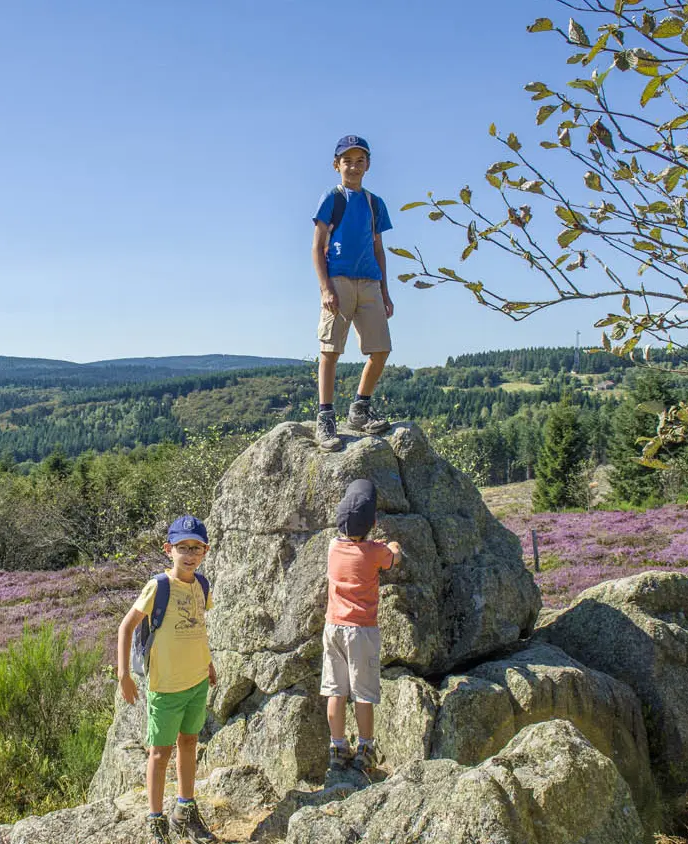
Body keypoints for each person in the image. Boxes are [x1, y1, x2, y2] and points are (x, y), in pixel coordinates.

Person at [116, 515, 218, 844]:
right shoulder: (158, 586)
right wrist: (124, 675)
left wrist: (209, 663)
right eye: (182, 547)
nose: (189, 554)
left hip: (196, 681)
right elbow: (126, 627)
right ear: (168, 549)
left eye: (196, 548)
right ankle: (156, 821)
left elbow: (198, 628)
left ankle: (184, 811)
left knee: (189, 743)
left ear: (205, 550)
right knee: (159, 754)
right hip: (165, 685)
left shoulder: (201, 585)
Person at [311, 134, 396, 452]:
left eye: (361, 160)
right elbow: (317, 248)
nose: (354, 166)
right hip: (339, 281)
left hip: (370, 283)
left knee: (381, 349)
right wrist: (325, 288)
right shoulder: (332, 198)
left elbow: (379, 248)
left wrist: (386, 292)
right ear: (337, 165)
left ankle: (359, 409)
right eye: (348, 160)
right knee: (330, 351)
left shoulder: (375, 203)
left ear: (368, 165)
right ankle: (326, 417)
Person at [321, 479, 401, 772]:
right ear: (373, 522)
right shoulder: (375, 551)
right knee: (364, 693)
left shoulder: (332, 548)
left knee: (335, 690)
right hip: (362, 631)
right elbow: (393, 558)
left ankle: (337, 746)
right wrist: (394, 545)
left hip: (333, 628)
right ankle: (366, 746)